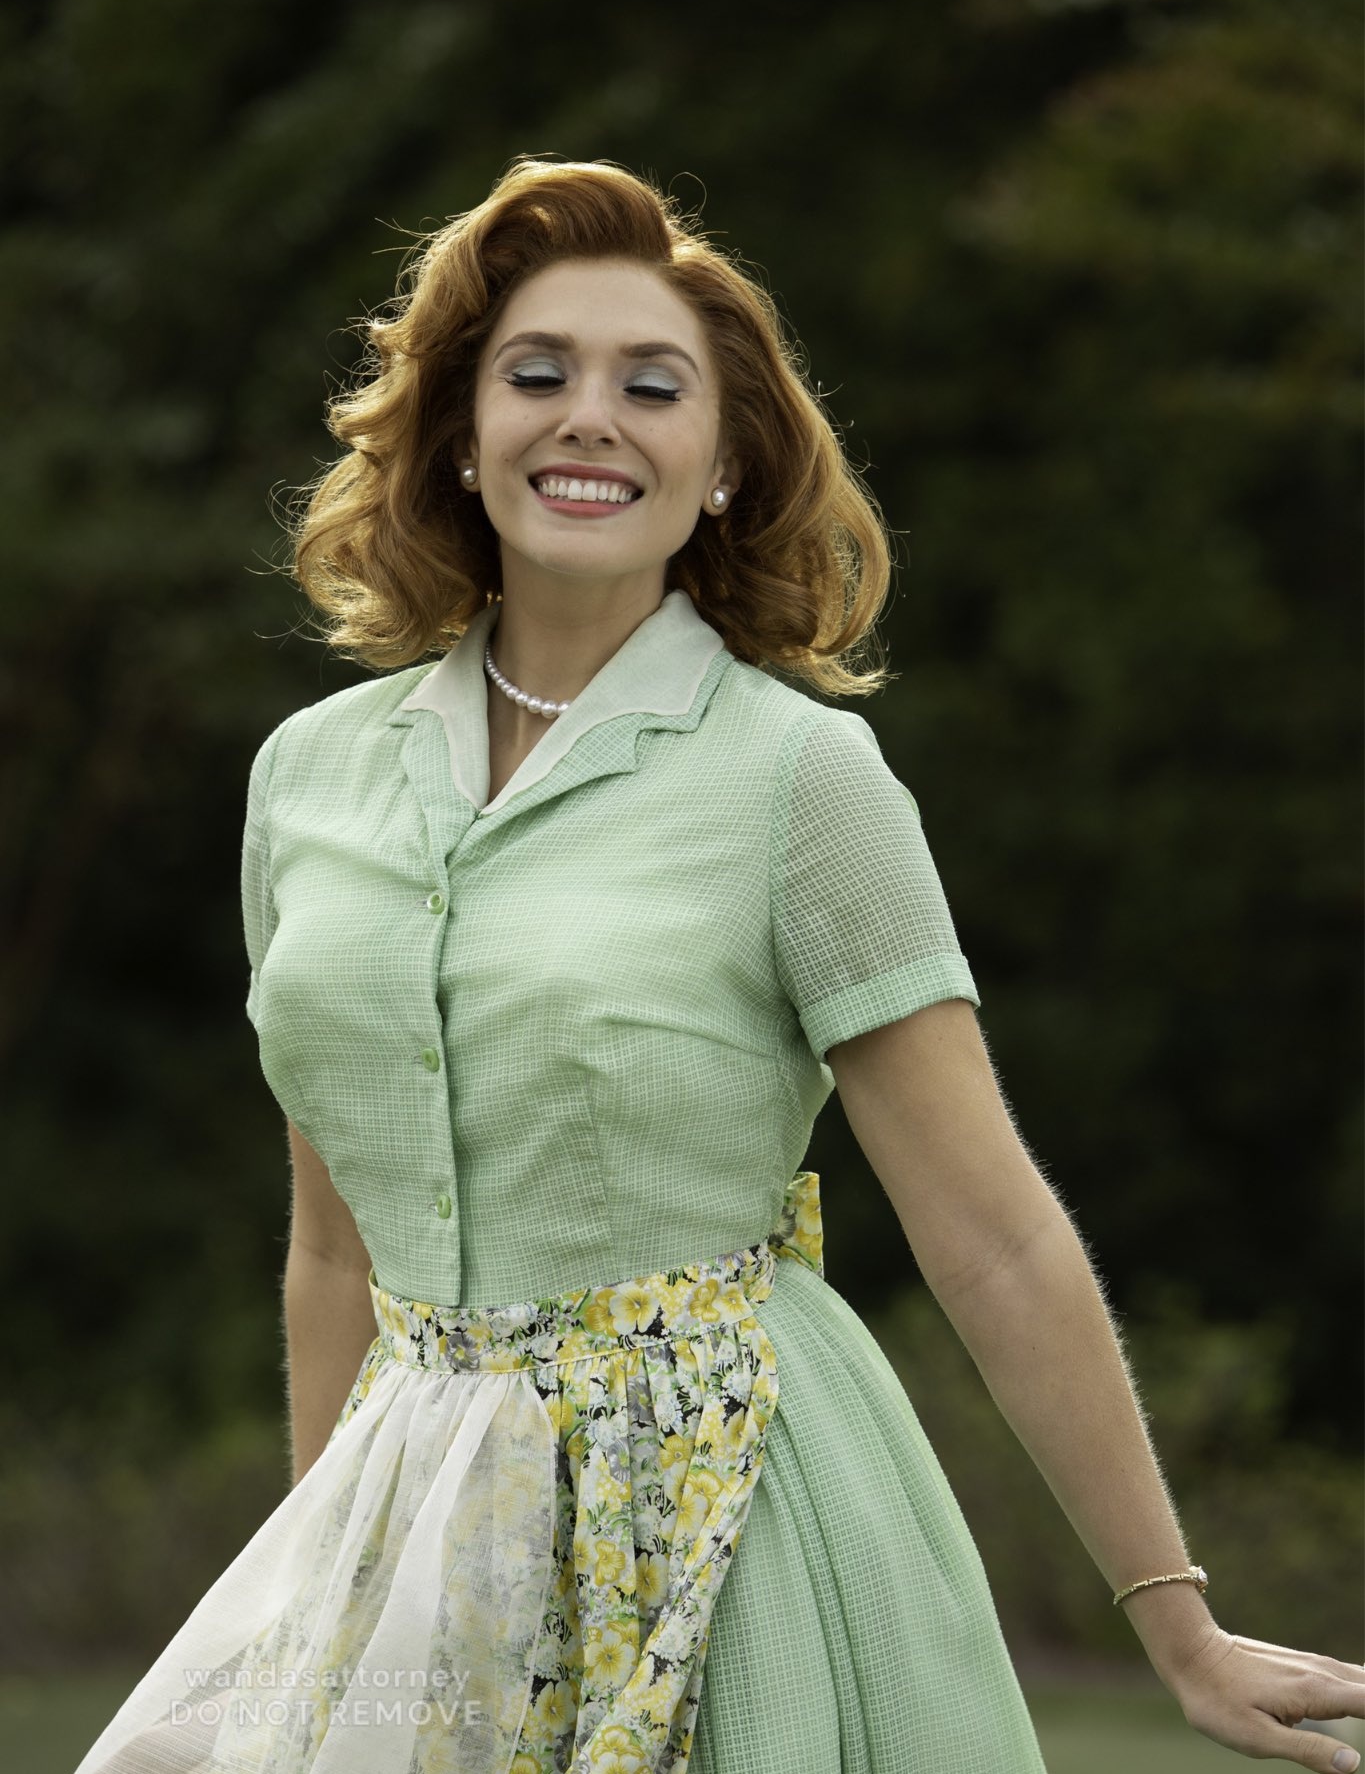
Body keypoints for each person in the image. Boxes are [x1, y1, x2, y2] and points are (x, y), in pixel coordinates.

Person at [75, 157, 1362, 1774]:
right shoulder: (306, 779)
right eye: (536, 375)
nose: (587, 419)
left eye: (650, 385)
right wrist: (335, 1577)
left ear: (727, 466)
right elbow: (335, 1251)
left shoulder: (798, 779)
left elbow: (991, 1235)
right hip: (418, 1516)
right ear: (462, 435)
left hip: (729, 1517)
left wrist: (1176, 1623)